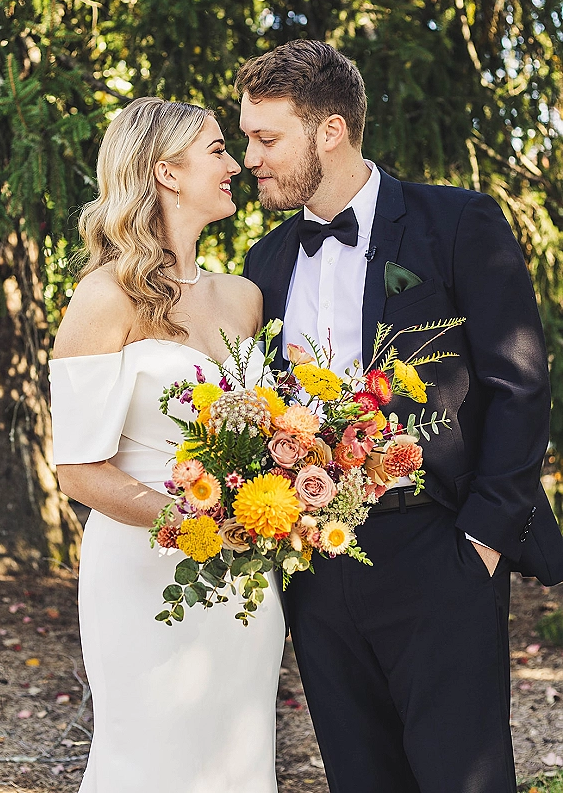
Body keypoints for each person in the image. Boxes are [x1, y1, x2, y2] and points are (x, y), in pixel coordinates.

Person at [237, 40, 563, 793]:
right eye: (247, 138)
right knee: (360, 776)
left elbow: (518, 381)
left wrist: (482, 538)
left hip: (439, 544)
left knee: (462, 778)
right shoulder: (263, 263)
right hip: (315, 564)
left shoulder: (457, 222)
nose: (250, 157)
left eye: (266, 138)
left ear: (331, 132)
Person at [49, 97, 285, 793]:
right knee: (148, 758)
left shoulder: (243, 296)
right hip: (147, 573)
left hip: (243, 574)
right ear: (166, 171)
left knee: (239, 760)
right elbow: (77, 469)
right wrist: (190, 523)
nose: (236, 164)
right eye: (217, 149)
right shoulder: (104, 296)